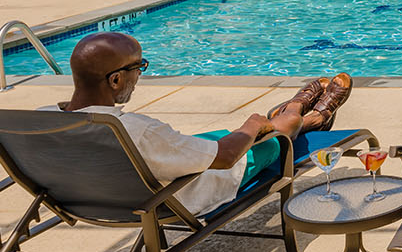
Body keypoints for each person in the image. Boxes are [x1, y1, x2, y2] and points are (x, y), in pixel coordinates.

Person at [40, 32, 353, 216]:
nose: (140, 75)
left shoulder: (39, 122)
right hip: (185, 192)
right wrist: (251, 126)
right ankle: (301, 115)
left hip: (102, 196)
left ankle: (299, 114)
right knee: (274, 132)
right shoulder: (137, 132)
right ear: (116, 79)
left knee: (243, 132)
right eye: (140, 66)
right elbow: (227, 156)